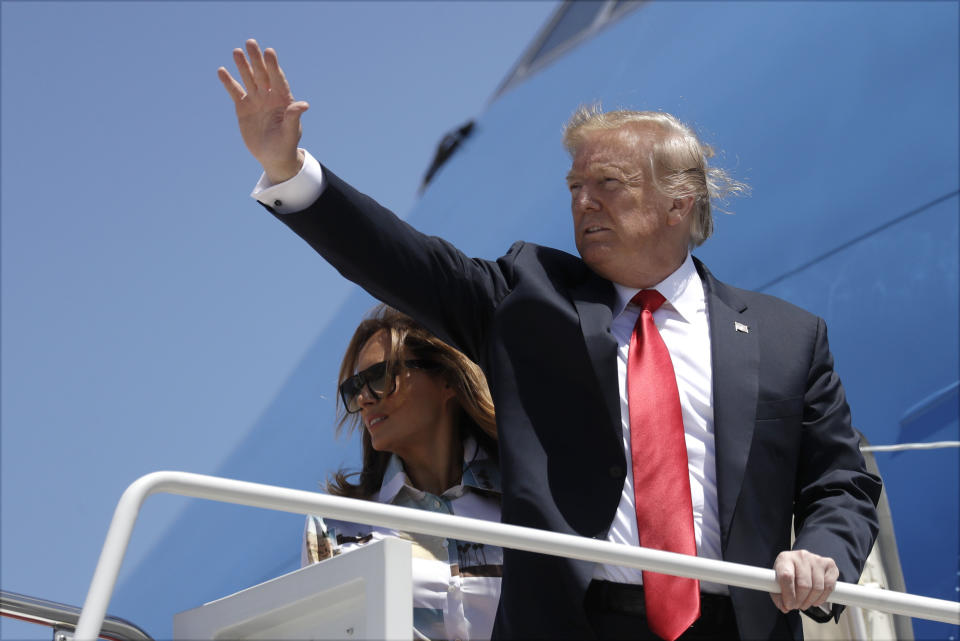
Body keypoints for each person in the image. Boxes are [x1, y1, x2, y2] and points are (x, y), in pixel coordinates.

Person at [218, 40, 882, 640]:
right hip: (579, 623)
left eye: (608, 186)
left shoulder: (789, 338)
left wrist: (821, 551)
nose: (582, 203)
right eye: (574, 187)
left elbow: (839, 478)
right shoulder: (527, 298)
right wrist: (290, 168)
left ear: (680, 201)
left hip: (740, 626)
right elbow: (402, 260)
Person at [301, 304, 502, 641]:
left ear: (447, 380)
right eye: (355, 389)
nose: (364, 398)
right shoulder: (336, 528)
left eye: (380, 377)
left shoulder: (529, 499)